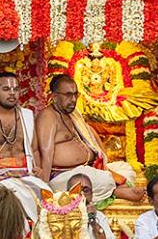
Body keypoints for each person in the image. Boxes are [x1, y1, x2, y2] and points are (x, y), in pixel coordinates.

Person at [36, 75, 143, 204]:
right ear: (54, 96)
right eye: (68, 95)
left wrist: (101, 158)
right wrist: (44, 189)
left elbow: (89, 133)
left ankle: (115, 189)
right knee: (101, 180)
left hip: (85, 168)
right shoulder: (48, 116)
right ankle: (118, 191)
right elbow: (45, 153)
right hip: (62, 176)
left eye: (76, 94)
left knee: (124, 168)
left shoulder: (71, 114)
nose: (73, 99)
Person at [0, 73, 45, 219]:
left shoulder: (26, 116)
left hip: (25, 175)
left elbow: (34, 149)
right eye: (6, 89)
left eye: (16, 89)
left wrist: (37, 168)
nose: (12, 93)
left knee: (47, 196)